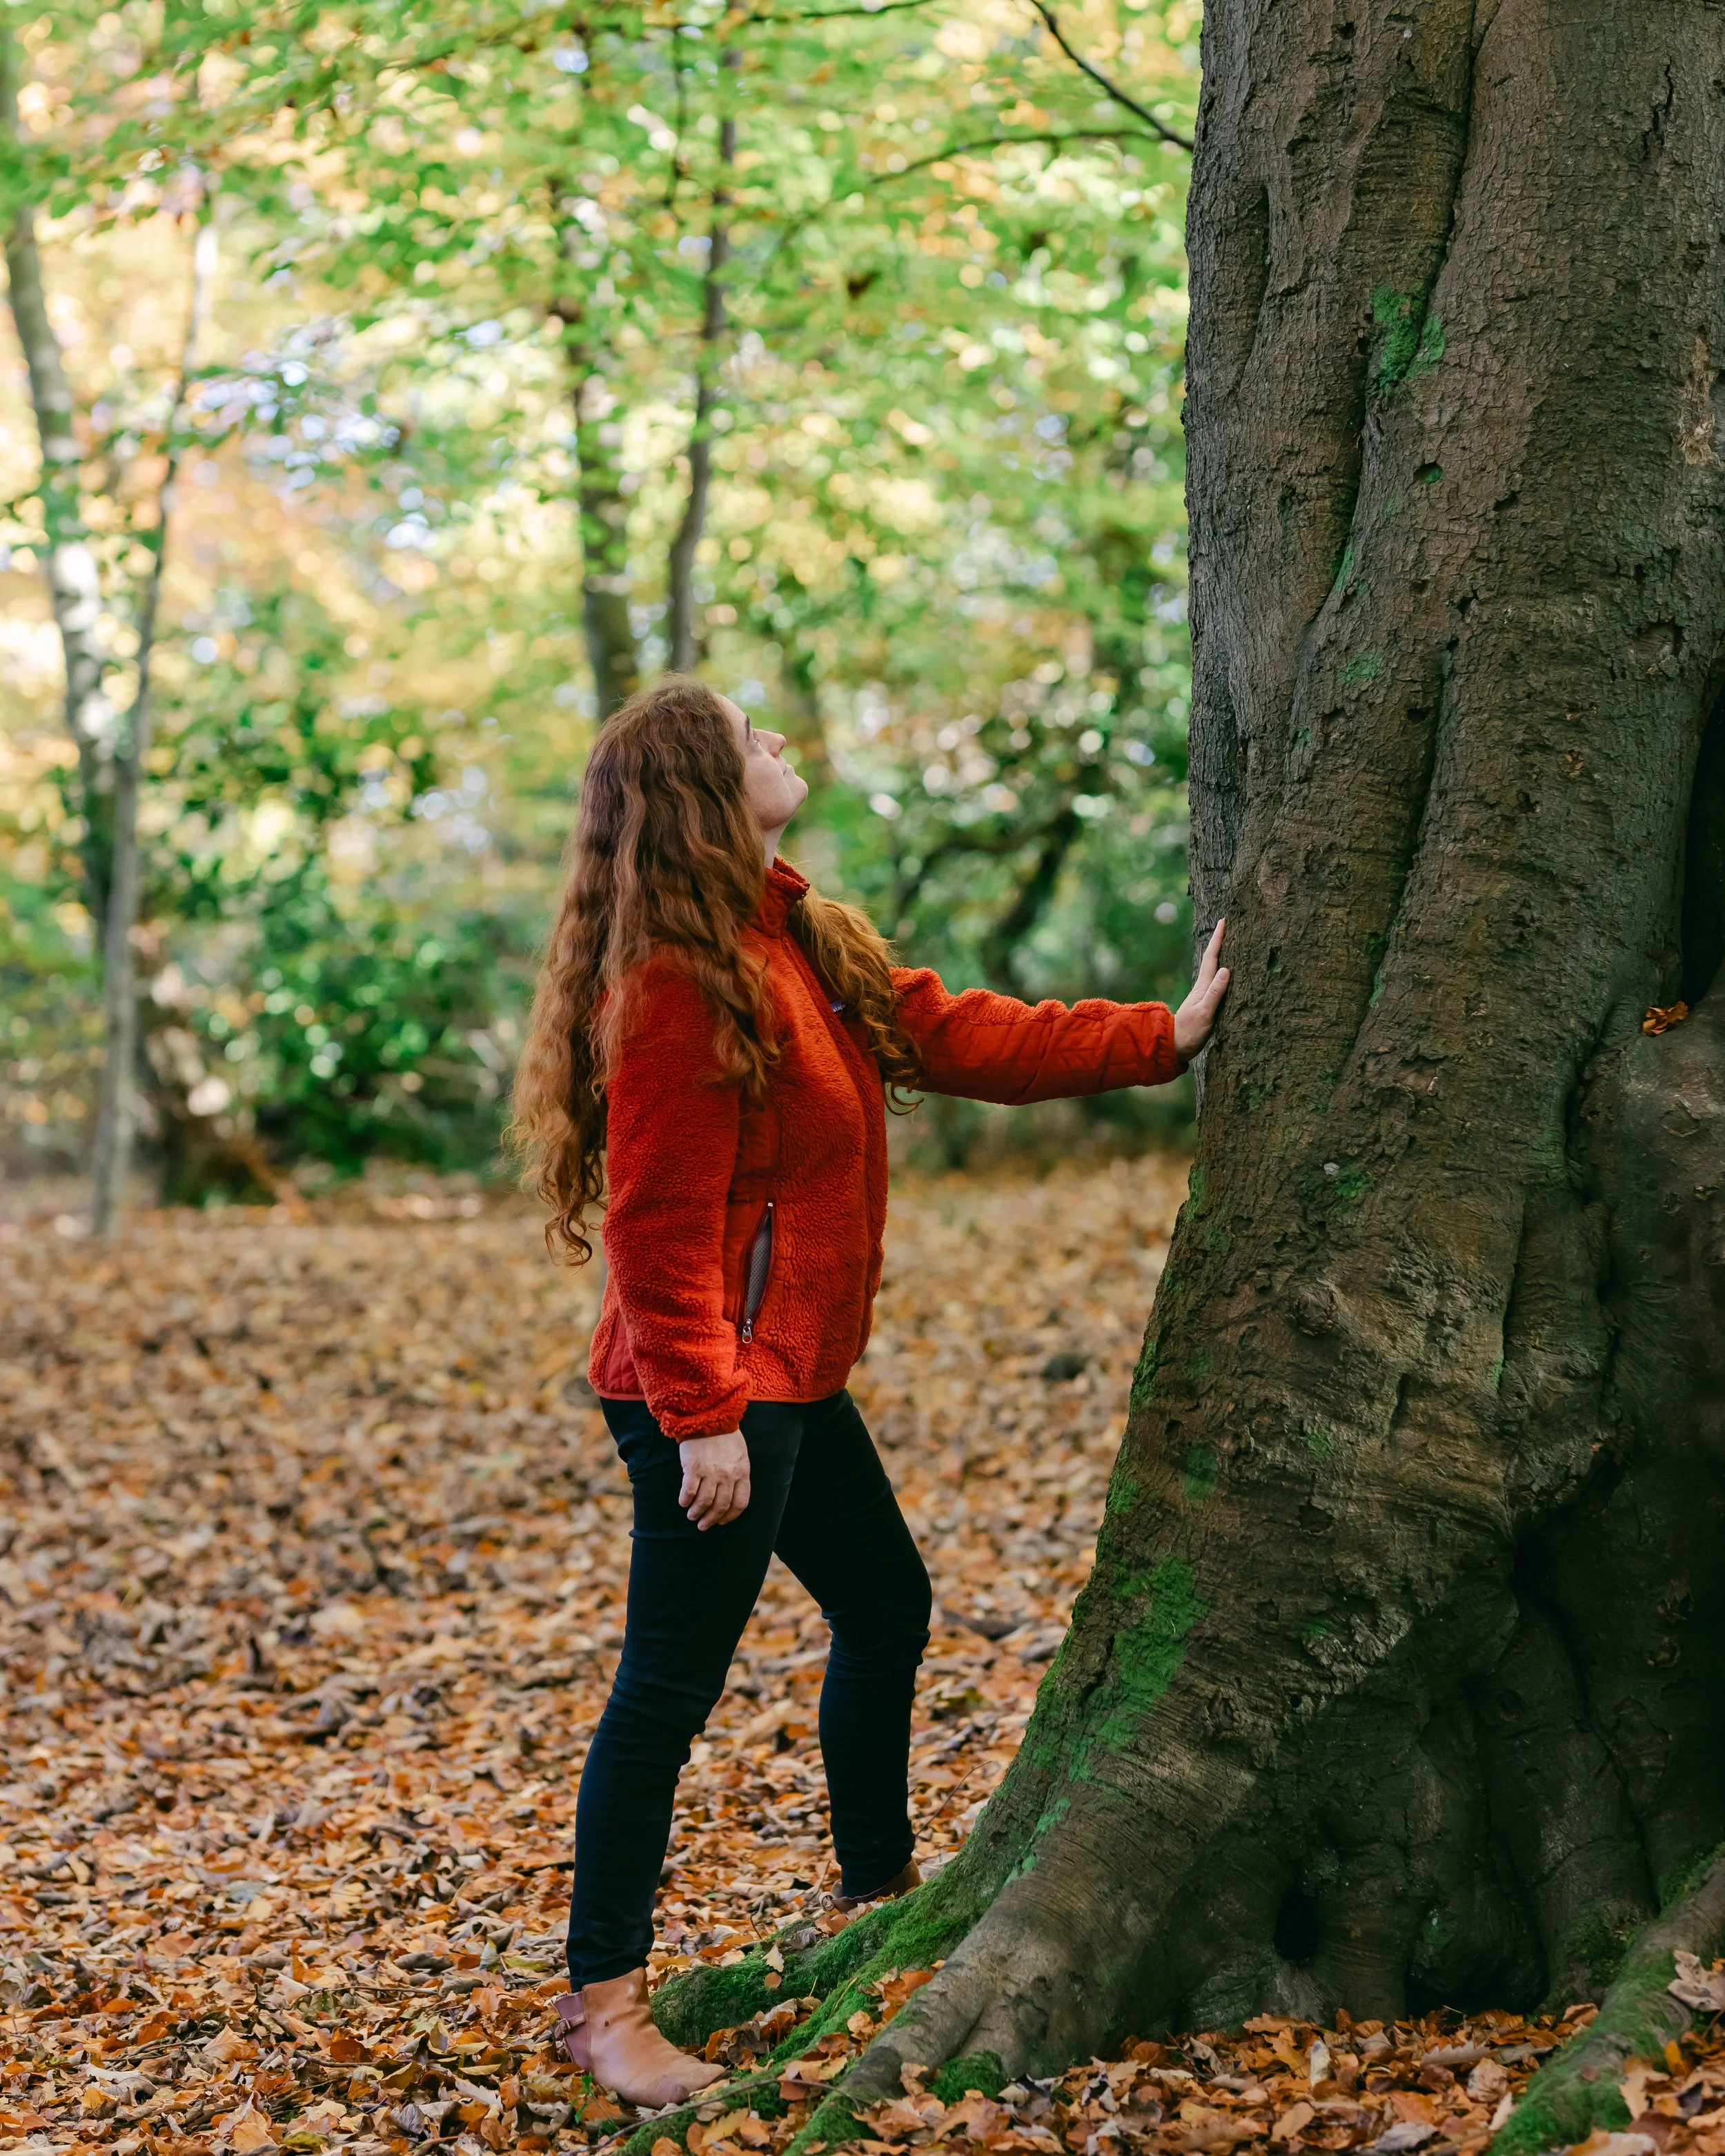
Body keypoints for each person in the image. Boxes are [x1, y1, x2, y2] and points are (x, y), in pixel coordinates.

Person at [508, 675, 1230, 2106]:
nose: (777, 742)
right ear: (703, 786)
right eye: (748, 736)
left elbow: (955, 1033)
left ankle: (873, 1896)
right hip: (714, 1385)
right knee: (665, 1687)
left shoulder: (786, 932)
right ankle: (606, 2004)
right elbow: (654, 1218)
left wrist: (1166, 1030)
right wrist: (700, 1412)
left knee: (885, 1604)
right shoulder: (672, 978)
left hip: (783, 1372)